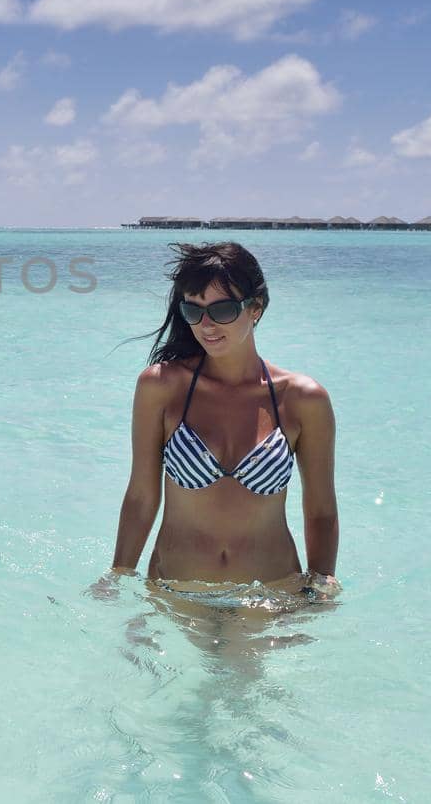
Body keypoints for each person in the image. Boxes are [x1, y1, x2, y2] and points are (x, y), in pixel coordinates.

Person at [96, 241, 339, 603]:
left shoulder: (303, 399)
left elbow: (320, 509)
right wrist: (119, 573)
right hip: (175, 590)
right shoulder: (160, 386)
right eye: (193, 311)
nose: (206, 325)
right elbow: (142, 494)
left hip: (270, 596)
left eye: (221, 310)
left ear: (255, 308)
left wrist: (321, 582)